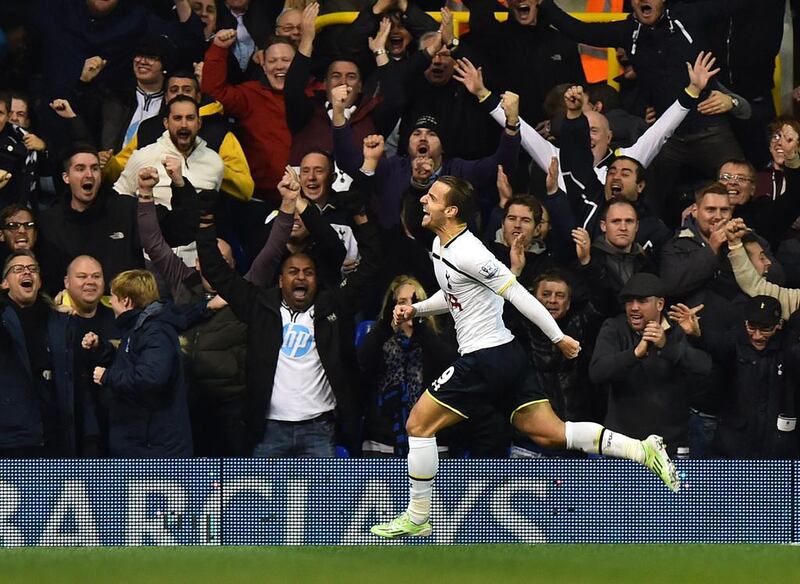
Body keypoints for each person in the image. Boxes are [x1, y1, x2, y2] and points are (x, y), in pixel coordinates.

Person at [371, 176, 680, 540]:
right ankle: (642, 449)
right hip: (507, 356)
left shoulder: (471, 252)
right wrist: (417, 309)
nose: (424, 200)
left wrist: (558, 336)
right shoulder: (443, 245)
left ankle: (419, 516)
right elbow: (453, 295)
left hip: (484, 357)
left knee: (417, 426)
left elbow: (518, 295)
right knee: (552, 434)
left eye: (433, 197)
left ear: (451, 211)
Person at [195, 162, 380, 458]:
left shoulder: (332, 306)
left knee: (323, 506)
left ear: (318, 280)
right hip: (269, 431)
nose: (301, 277)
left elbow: (371, 266)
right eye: (293, 271)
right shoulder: (260, 306)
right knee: (264, 506)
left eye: (308, 272)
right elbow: (217, 271)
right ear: (280, 281)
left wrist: (360, 216)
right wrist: (205, 221)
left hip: (319, 428)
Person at [590, 273, 713, 457]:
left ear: (660, 304)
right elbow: (597, 372)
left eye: (642, 301)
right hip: (622, 443)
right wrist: (634, 354)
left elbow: (705, 368)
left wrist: (667, 346)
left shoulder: (681, 328)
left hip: (670, 444)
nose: (633, 308)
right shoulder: (615, 328)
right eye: (629, 301)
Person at [670, 294, 799, 459]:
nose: (757, 336)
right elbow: (715, 344)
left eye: (765, 329)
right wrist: (697, 334)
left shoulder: (789, 347)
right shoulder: (734, 340)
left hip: (777, 447)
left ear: (779, 325)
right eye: (752, 327)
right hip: (735, 444)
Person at [82, 269, 193, 458]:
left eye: (114, 299)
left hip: (155, 448)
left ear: (126, 301)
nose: (111, 306)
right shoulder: (138, 328)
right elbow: (131, 362)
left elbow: (151, 377)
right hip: (141, 442)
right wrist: (102, 348)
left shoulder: (155, 331)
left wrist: (107, 376)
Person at [0, 250, 77, 458]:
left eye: (32, 269)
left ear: (40, 282)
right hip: (10, 440)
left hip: (54, 436)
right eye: (18, 269)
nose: (27, 272)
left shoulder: (61, 323)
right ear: (4, 283)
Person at [37, 145, 143, 295]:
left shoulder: (126, 209)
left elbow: (176, 231)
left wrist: (179, 184)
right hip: (69, 311)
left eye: (94, 168)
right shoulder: (49, 222)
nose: (89, 175)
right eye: (80, 169)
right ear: (66, 177)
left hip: (124, 309)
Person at [113, 95, 225, 210]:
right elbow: (119, 196)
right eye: (177, 118)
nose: (184, 125)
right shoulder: (144, 156)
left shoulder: (215, 161)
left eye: (190, 118)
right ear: (166, 123)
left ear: (199, 123)